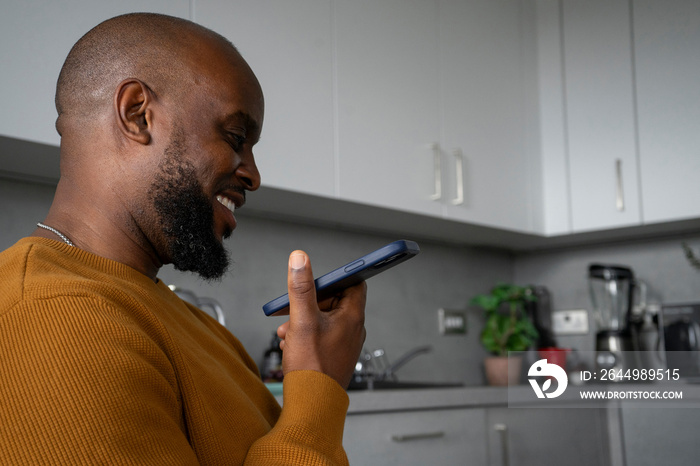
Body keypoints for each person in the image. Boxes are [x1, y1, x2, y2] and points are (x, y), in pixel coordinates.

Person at [0, 12, 366, 465]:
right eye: (235, 137)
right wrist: (318, 388)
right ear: (137, 114)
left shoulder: (202, 329)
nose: (253, 175)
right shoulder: (50, 316)